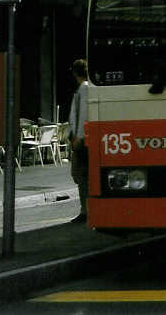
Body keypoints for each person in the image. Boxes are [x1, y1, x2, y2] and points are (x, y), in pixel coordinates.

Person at [67, 59, 89, 223]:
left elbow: (83, 115)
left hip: (80, 139)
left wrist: (79, 137)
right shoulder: (83, 88)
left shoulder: (85, 88)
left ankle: (85, 210)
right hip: (77, 137)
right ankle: (86, 208)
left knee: (80, 174)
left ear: (75, 73)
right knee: (79, 174)